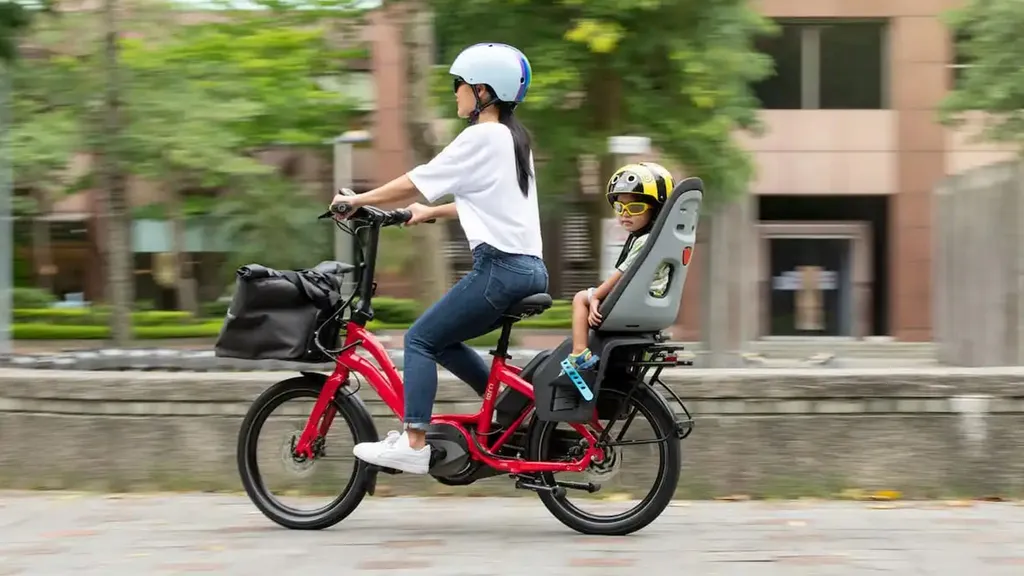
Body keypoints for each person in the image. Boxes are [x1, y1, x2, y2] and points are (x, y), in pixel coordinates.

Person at [329, 43, 548, 474]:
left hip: (500, 269)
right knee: (443, 341)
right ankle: (516, 409)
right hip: (528, 269)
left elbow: (414, 181)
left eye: (458, 85)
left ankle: (413, 442)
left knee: (420, 339)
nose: (455, 93)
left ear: (483, 90)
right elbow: (493, 203)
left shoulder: (482, 135)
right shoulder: (514, 140)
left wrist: (358, 201)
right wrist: (431, 212)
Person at [563, 162, 674, 374]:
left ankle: (579, 354)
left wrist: (596, 296)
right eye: (619, 207)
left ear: (657, 210)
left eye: (635, 208)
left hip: (636, 299)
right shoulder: (660, 239)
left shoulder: (644, 241)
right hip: (650, 298)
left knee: (580, 298)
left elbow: (621, 275)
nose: (625, 214)